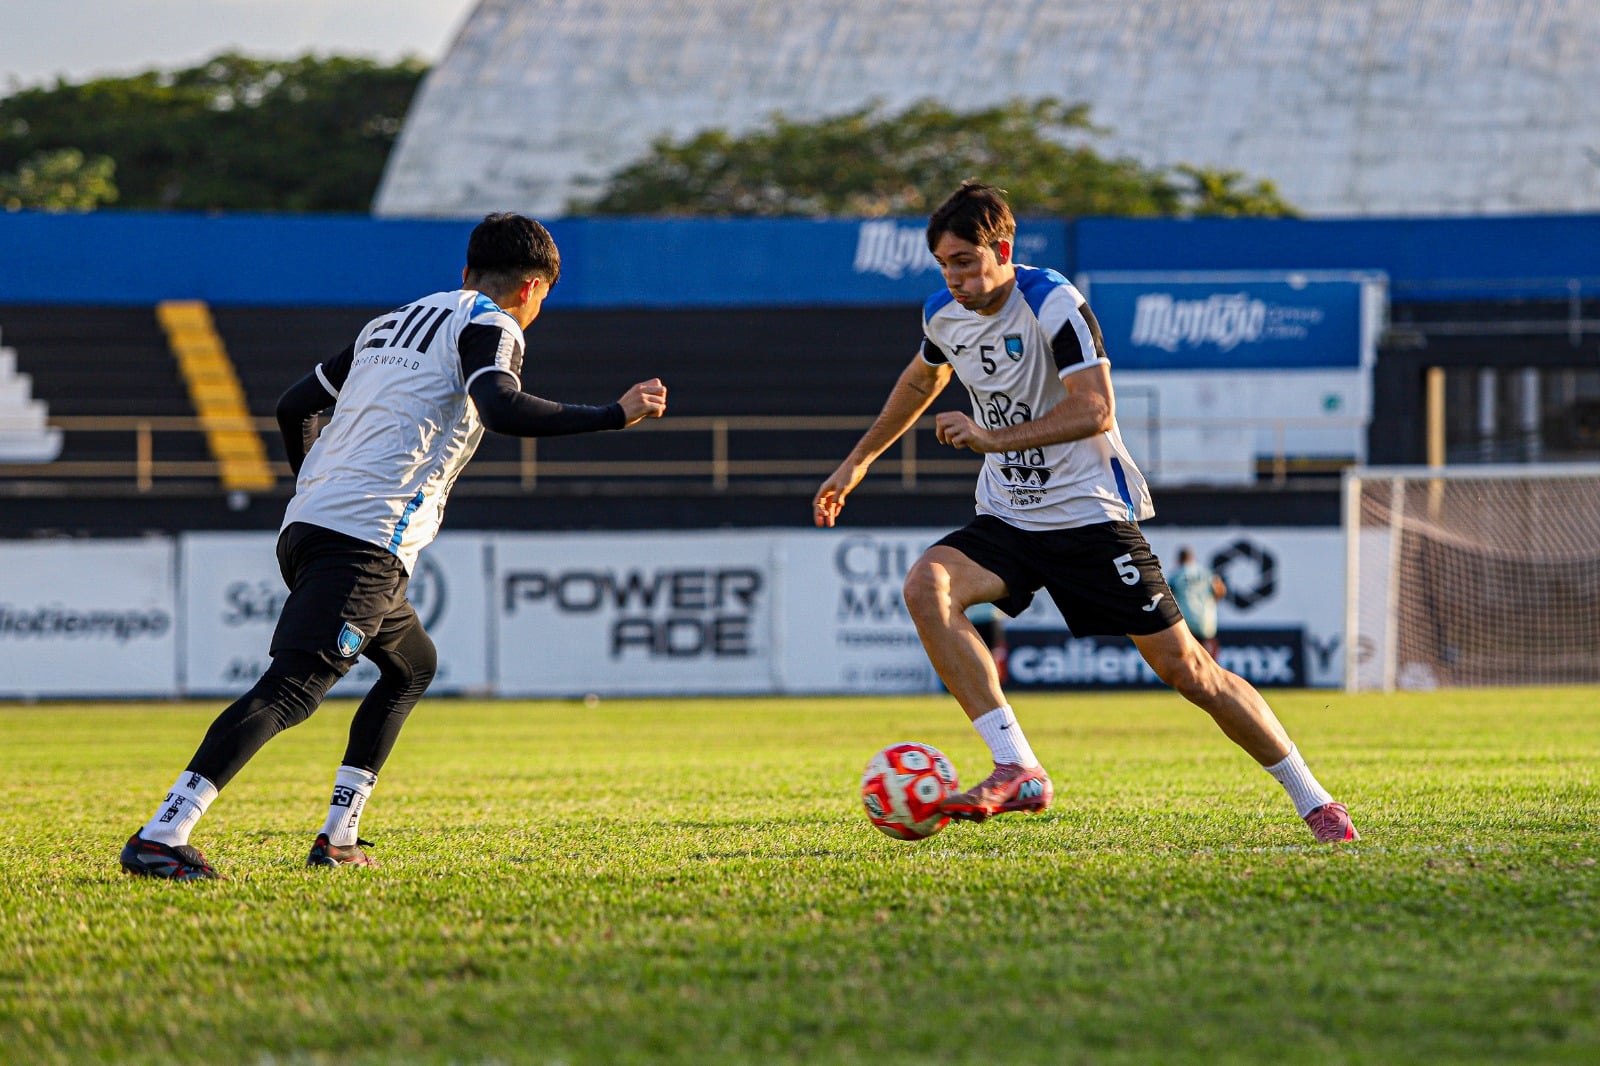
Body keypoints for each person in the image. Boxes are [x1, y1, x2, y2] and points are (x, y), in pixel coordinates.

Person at [120, 213, 669, 880]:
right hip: (364, 538)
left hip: (312, 526)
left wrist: (318, 484)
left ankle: (339, 836)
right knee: (294, 688)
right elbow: (500, 408)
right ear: (531, 288)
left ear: (467, 272)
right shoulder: (490, 326)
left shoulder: (388, 324)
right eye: (544, 297)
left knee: (412, 666)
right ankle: (163, 834)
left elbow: (295, 406)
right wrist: (614, 415)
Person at [813, 181, 1357, 843]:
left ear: (1002, 250)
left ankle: (1315, 799)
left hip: (1089, 518)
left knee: (1190, 671)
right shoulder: (943, 315)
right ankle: (1017, 766)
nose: (955, 278)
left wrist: (991, 438)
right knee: (928, 585)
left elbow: (1096, 408)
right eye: (944, 265)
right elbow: (922, 378)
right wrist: (859, 461)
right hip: (1010, 516)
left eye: (966, 262)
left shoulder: (1053, 302)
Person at [1168, 546, 1227, 660]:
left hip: (1187, 625)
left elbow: (1167, 596)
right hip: (1206, 624)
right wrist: (1211, 600)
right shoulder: (1206, 574)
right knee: (1209, 664)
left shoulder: (1175, 576)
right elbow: (1221, 590)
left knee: (1189, 663)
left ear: (1179, 560)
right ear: (1192, 558)